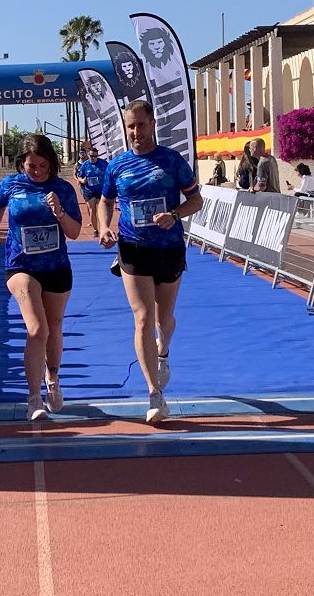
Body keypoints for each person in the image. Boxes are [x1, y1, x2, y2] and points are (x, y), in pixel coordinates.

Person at [97, 100, 203, 424]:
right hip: (133, 248)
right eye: (130, 126)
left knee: (163, 319)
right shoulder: (117, 166)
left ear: (152, 124)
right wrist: (103, 226)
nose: (135, 132)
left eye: (140, 125)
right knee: (142, 318)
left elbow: (196, 200)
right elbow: (105, 201)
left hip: (168, 248)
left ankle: (164, 351)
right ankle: (154, 393)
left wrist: (174, 214)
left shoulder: (171, 161)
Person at [0, 134, 82, 421]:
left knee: (53, 328)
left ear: (51, 163)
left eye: (42, 166)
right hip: (20, 265)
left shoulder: (62, 189)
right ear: (21, 164)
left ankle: (53, 379)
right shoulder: (11, 185)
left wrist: (59, 212)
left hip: (56, 267)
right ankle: (33, 397)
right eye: (31, 166)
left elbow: (74, 232)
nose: (37, 171)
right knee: (37, 329)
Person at [75, 147, 109, 238]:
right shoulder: (85, 165)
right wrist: (82, 181)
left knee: (102, 209)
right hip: (89, 190)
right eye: (91, 156)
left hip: (101, 190)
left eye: (95, 156)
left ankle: (103, 227)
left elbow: (110, 173)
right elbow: (79, 176)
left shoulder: (103, 163)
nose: (93, 157)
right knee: (92, 210)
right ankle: (95, 230)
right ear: (88, 155)